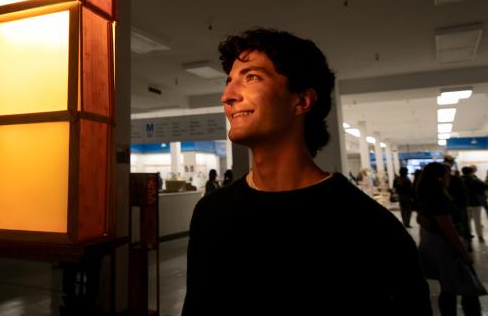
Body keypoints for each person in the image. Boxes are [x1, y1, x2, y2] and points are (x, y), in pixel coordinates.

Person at [182, 28, 431, 315]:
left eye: (251, 77)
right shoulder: (211, 212)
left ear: (301, 101)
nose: (227, 96)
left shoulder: (370, 227)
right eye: (229, 81)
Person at [417, 162, 486, 315]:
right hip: (446, 248)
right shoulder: (438, 197)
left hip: (435, 246)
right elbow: (447, 228)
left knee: (449, 288)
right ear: (439, 178)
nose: (450, 178)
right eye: (448, 175)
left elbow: (423, 219)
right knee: (466, 288)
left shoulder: (426, 194)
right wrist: (462, 252)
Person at [461, 166, 488, 243]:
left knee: (467, 221)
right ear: (471, 172)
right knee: (477, 221)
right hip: (475, 203)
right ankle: (480, 236)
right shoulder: (474, 180)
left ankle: (468, 235)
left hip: (465, 204)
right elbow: (485, 186)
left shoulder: (459, 179)